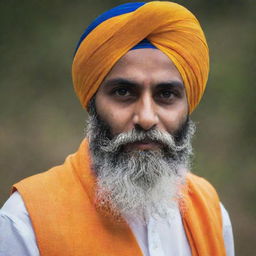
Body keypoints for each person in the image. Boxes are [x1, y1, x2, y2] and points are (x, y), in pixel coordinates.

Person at [0, 2, 235, 256]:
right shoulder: (25, 222)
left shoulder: (211, 212)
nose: (146, 118)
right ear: (92, 103)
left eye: (166, 94)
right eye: (123, 92)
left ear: (188, 106)